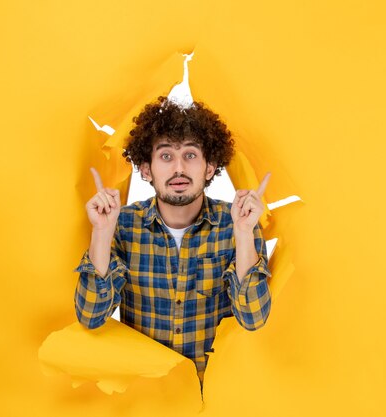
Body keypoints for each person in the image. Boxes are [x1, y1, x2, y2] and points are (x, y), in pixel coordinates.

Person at [74, 97, 272, 384]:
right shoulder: (122, 226)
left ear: (209, 167)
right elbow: (91, 316)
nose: (179, 168)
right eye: (166, 156)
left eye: (190, 155)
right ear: (146, 169)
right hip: (144, 399)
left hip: (215, 399)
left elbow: (253, 318)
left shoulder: (239, 223)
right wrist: (102, 233)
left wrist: (243, 235)